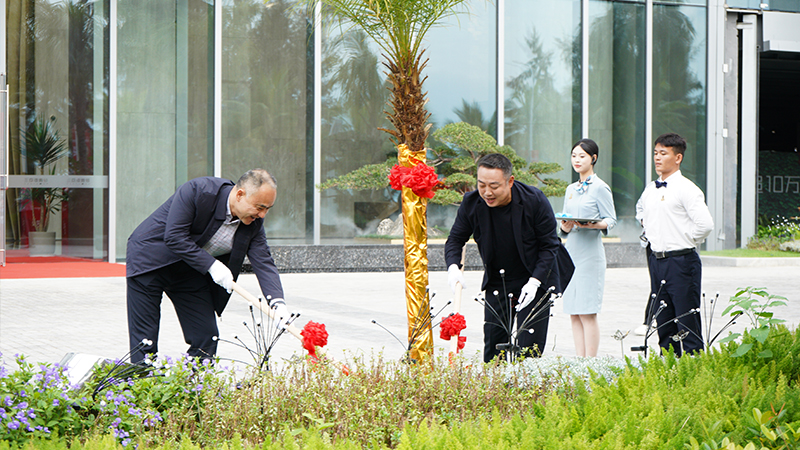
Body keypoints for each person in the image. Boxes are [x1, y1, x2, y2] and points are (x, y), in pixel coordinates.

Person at [126, 169, 290, 363]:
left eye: (267, 209)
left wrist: (277, 302)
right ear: (240, 194)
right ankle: (140, 386)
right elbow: (175, 236)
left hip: (189, 270)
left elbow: (263, 261)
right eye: (259, 207)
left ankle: (191, 388)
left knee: (207, 336)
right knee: (145, 340)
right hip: (150, 261)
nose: (262, 215)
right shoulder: (199, 191)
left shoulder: (253, 222)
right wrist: (212, 265)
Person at [445, 153, 573, 363]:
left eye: (494, 186)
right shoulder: (472, 202)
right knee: (494, 349)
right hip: (498, 279)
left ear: (510, 181)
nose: (487, 192)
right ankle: (496, 390)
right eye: (481, 184)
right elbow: (455, 239)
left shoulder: (534, 200)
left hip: (536, 278)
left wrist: (534, 282)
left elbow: (550, 246)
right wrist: (452, 268)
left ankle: (526, 391)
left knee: (528, 351)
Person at [635, 133, 713, 356]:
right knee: (664, 321)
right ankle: (668, 368)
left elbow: (705, 224)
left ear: (677, 157)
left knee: (686, 320)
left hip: (681, 261)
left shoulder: (687, 188)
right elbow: (640, 210)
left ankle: (693, 369)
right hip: (656, 260)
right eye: (656, 153)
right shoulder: (651, 188)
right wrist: (649, 227)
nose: (657, 158)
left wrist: (686, 240)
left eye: (663, 153)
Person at [558, 139, 617, 357]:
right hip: (571, 252)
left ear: (593, 159)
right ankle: (579, 359)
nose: (577, 160)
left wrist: (594, 224)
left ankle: (590, 362)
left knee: (587, 312)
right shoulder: (571, 189)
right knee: (573, 311)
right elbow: (565, 222)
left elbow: (611, 220)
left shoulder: (600, 187)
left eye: (582, 156)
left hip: (590, 256)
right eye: (574, 155)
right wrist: (565, 227)